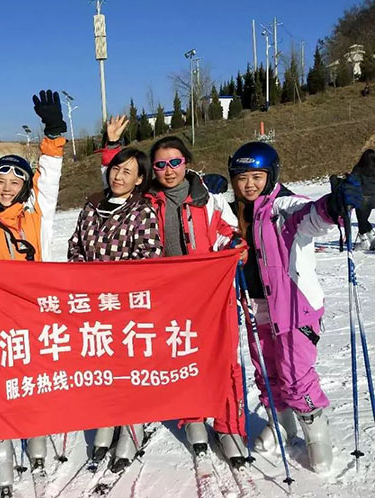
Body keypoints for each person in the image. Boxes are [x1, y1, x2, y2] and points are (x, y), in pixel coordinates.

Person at [227, 141, 363, 473]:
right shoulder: (235, 212)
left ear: (271, 175)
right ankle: (282, 422)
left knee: (296, 375)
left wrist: (332, 206)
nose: (249, 185)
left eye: (257, 177)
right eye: (241, 178)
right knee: (266, 371)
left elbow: (310, 214)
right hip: (256, 306)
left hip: (293, 309)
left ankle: (317, 433)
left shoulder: (282, 207)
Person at [0, 89, 65, 498]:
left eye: (15, 182)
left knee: (34, 386)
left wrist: (53, 132)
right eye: (1, 181)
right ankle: (2, 460)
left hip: (36, 316)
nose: (7, 188)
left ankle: (37, 448)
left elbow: (50, 175)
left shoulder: (37, 215)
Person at [143, 136, 248, 467]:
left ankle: (229, 426)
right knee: (183, 355)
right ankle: (193, 418)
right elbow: (116, 180)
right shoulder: (146, 202)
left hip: (211, 293)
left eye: (175, 162)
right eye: (161, 164)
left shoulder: (208, 200)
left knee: (223, 357)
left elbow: (227, 232)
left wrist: (235, 246)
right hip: (171, 295)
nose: (169, 170)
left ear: (186, 162)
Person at [67, 115, 161, 471]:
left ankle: (132, 426)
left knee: (130, 368)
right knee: (102, 366)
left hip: (128, 307)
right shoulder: (91, 205)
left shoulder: (142, 211)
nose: (119, 176)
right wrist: (85, 280)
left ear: (139, 179)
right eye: (116, 169)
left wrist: (114, 283)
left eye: (128, 172)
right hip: (94, 305)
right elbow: (76, 248)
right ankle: (108, 419)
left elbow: (150, 257)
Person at [351, 149, 375, 250]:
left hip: (363, 198)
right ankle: (372, 238)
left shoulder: (358, 168)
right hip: (374, 198)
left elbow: (353, 183)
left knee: (362, 220)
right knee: (363, 220)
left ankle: (364, 241)